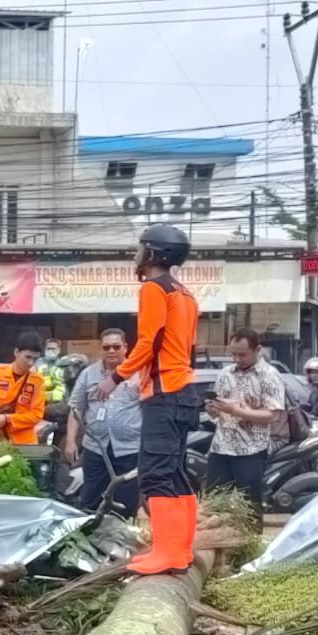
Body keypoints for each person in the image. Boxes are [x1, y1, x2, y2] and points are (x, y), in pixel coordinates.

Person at [91, 224, 200, 575]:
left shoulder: (154, 288)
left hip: (165, 393)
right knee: (176, 473)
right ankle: (179, 550)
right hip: (183, 391)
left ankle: (167, 553)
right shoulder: (185, 293)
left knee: (155, 475)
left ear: (154, 254)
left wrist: (116, 378)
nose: (135, 254)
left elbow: (148, 342)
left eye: (140, 248)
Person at [206, 327, 286, 519]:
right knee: (213, 504)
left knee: (249, 506)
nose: (237, 359)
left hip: (250, 450)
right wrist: (213, 409)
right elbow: (216, 408)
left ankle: (251, 546)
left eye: (242, 354)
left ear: (257, 350)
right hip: (221, 447)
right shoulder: (225, 373)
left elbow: (273, 415)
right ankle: (217, 545)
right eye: (233, 354)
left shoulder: (270, 375)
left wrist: (237, 411)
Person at [66, 329, 142, 517]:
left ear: (126, 347)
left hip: (129, 449)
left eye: (116, 346)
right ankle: (89, 536)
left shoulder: (139, 374)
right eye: (106, 347)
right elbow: (75, 408)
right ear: (101, 349)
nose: (111, 351)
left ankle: (122, 540)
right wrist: (70, 441)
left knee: (127, 503)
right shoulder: (88, 374)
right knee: (90, 499)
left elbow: (150, 409)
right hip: (95, 448)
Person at [0, 332, 47, 445]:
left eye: (35, 359)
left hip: (25, 442)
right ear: (16, 352)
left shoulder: (38, 381)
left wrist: (7, 418)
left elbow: (36, 416)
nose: (30, 363)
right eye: (27, 357)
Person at [35, 338, 67, 403]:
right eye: (48, 349)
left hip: (59, 401)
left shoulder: (64, 363)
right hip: (41, 401)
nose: (50, 351)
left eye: (53, 349)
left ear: (59, 350)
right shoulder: (37, 362)